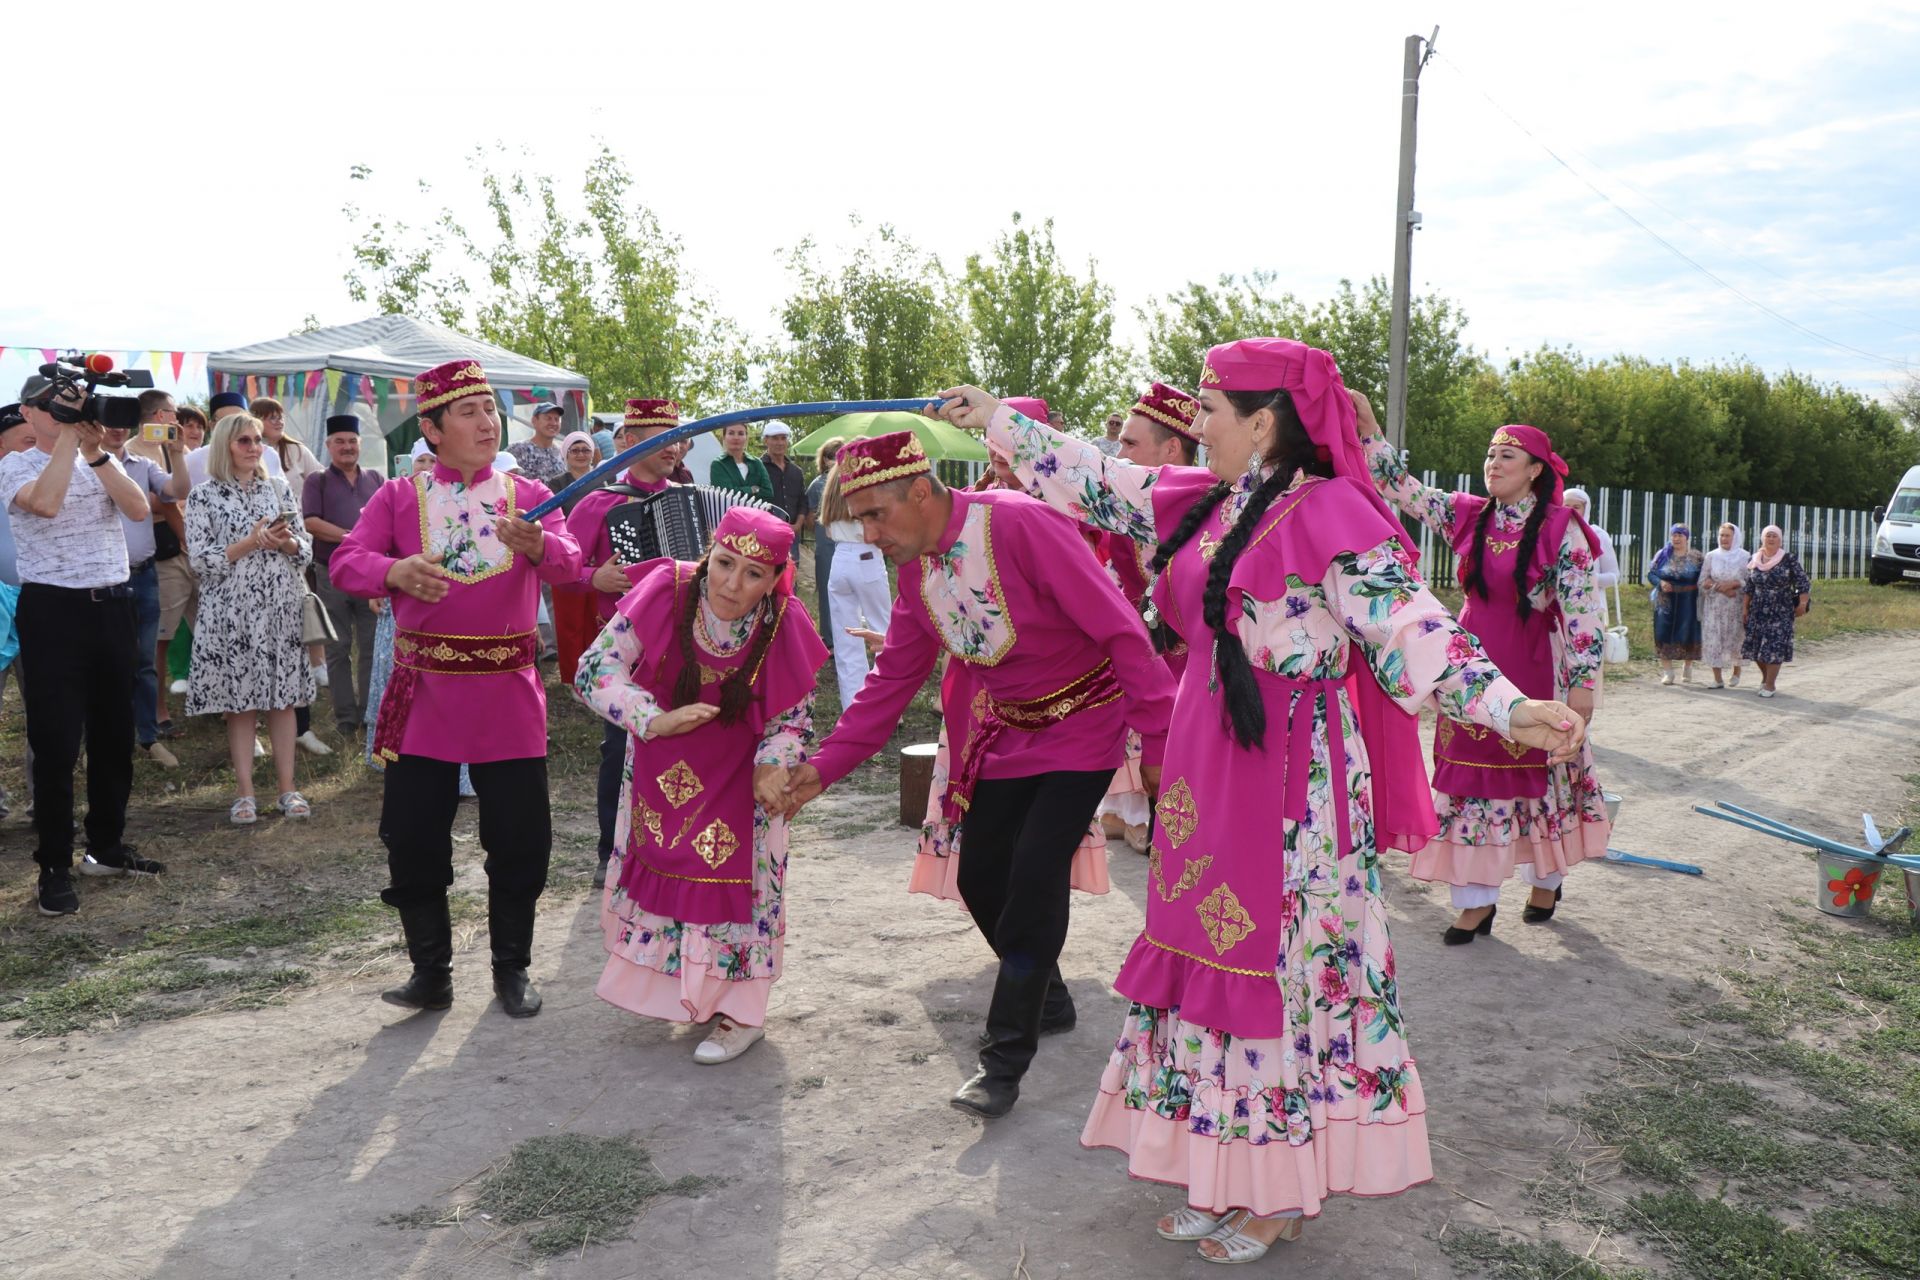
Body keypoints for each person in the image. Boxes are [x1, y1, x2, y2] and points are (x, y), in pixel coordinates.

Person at [956, 338, 1586, 1259]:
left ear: (1264, 422)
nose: (1195, 421)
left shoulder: (1332, 510)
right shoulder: (1221, 500)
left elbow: (1413, 625)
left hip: (1297, 783)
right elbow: (1102, 481)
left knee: (1284, 974)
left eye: (1211, 406)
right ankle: (1223, 1171)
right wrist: (996, 419)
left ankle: (1279, 1190)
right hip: (1210, 772)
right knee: (1203, 955)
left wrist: (1510, 706)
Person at [778, 429, 1177, 1119]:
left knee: (1032, 878)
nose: (870, 534)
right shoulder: (915, 569)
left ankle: (1002, 1061)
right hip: (1009, 732)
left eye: (877, 514)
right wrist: (820, 771)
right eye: (859, 520)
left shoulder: (1019, 524)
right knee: (978, 875)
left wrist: (1164, 740)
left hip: (1085, 725)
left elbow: (1120, 629)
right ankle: (1045, 995)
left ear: (923, 491)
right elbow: (893, 680)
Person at [331, 359, 583, 1018]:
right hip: (425, 696)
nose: (486, 422)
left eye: (491, 410)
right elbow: (345, 562)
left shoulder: (528, 494)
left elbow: (574, 564)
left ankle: (513, 969)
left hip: (508, 692)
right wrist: (395, 570)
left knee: (521, 837)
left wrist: (538, 550)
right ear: (433, 428)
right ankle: (431, 973)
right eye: (469, 412)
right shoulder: (396, 497)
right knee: (412, 836)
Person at [574, 507, 827, 1063]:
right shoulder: (667, 590)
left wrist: (774, 764)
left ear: (775, 578)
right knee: (668, 871)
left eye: (753, 574)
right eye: (724, 563)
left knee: (743, 889)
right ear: (709, 551)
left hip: (741, 780)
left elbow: (792, 718)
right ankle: (681, 994)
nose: (732, 584)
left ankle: (741, 1013)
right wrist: (648, 717)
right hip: (661, 770)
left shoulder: (782, 622)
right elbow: (594, 669)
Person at [1364, 410, 1610, 941]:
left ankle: (1546, 879)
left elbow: (1582, 612)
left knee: (1537, 779)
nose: (1493, 465)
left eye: (1507, 456)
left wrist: (1583, 684)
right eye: (1491, 454)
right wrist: (1368, 429)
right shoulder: (1470, 515)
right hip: (1470, 663)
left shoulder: (1561, 530)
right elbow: (1398, 489)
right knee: (1468, 780)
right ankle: (1476, 902)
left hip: (1532, 665)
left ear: (1536, 470)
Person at [2, 372, 167, 916]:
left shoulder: (100, 459)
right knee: (56, 743)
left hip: (112, 604)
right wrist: (71, 439)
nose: (63, 415)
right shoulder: (13, 466)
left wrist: (95, 454)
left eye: (70, 407)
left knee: (115, 735)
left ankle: (107, 847)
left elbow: (139, 511)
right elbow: (45, 505)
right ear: (27, 413)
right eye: (53, 408)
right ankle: (54, 864)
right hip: (53, 610)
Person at [567, 398, 688, 887]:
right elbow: (562, 566)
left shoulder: (688, 498)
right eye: (663, 435)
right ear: (631, 441)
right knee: (619, 749)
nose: (675, 446)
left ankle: (671, 847)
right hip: (626, 652)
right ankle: (609, 850)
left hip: (681, 646)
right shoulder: (598, 502)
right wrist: (593, 578)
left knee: (681, 745)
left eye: (678, 435)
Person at [1084, 383, 1201, 853]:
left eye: (1130, 444)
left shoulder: (1221, 504)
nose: (1119, 452)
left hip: (1208, 679)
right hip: (1154, 668)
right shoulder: (1128, 509)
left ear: (1171, 448)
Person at [183, 413, 315, 823]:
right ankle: (244, 793)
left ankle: (287, 789)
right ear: (225, 445)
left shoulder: (277, 488)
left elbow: (306, 550)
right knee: (240, 703)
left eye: (258, 440)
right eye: (245, 440)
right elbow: (200, 561)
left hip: (279, 607)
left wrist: (287, 542)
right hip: (231, 612)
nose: (255, 447)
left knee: (284, 700)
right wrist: (249, 543)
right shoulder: (203, 496)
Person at [103, 408, 190, 769]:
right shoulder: (79, 465)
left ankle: (148, 738)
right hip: (101, 580)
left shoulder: (141, 464)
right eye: (109, 420)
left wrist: (177, 451)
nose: (118, 427)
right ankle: (104, 741)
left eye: (123, 420)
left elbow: (177, 491)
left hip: (142, 574)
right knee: (104, 663)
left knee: (144, 662)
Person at [302, 414, 385, 736]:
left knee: (370, 645)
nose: (347, 447)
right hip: (331, 573)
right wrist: (352, 537)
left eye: (352, 441)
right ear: (328, 446)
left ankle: (368, 713)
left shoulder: (376, 479)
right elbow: (311, 522)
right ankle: (346, 718)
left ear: (359, 444)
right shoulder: (317, 480)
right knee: (337, 648)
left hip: (369, 574)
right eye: (340, 441)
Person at [815, 461, 893, 703]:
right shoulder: (866, 483)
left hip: (840, 556)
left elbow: (827, 529)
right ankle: (886, 702)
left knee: (845, 639)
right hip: (866, 555)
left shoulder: (833, 484)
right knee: (883, 631)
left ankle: (853, 706)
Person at [156, 404, 207, 723]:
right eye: (173, 415)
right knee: (162, 636)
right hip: (171, 551)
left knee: (211, 629)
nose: (189, 428)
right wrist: (187, 535)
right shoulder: (138, 450)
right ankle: (158, 710)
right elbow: (165, 501)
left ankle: (212, 698)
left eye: (196, 424)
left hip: (201, 550)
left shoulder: (194, 454)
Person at [0, 403, 36, 818]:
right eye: (25, 433)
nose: (34, 438)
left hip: (38, 603)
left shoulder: (51, 478)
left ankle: (42, 800)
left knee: (46, 709)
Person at [549, 430, 606, 683]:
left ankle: (592, 675)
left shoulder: (603, 481)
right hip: (566, 560)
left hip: (597, 561)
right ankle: (572, 677)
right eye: (575, 450)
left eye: (586, 450)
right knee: (569, 622)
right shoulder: (556, 484)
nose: (581, 455)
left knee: (595, 619)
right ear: (566, 454)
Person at [1742, 524, 1811, 699]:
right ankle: (1765, 678)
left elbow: (1803, 582)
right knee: (1756, 646)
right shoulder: (1755, 558)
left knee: (1774, 645)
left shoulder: (1788, 559)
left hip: (1780, 608)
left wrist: (1802, 603)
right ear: (1762, 538)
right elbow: (1749, 586)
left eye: (1774, 536)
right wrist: (1745, 608)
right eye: (1768, 536)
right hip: (1757, 608)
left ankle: (1770, 684)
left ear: (1780, 540)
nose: (1771, 539)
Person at [185, 392, 283, 488]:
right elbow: (176, 494)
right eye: (226, 421)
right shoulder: (194, 460)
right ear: (213, 425)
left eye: (240, 420)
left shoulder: (269, 455)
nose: (234, 427)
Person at [1648, 524, 1704, 685]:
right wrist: (1660, 582)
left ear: (1687, 537)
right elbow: (1651, 574)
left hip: (1688, 600)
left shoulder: (1697, 557)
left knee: (1688, 633)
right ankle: (1668, 672)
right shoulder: (1663, 555)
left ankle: (1687, 666)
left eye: (1680, 535)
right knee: (1663, 632)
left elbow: (1704, 576)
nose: (1676, 538)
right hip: (1665, 600)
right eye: (1674, 535)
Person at [1699, 522, 1749, 688]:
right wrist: (1720, 588)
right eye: (1721, 535)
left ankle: (1736, 672)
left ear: (1735, 537)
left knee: (1735, 638)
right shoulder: (1711, 556)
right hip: (1715, 606)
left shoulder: (1745, 556)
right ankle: (1717, 678)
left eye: (1727, 535)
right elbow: (1702, 580)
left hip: (1736, 605)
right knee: (1714, 639)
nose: (1723, 538)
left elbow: (1750, 581)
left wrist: (1734, 583)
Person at [1561, 488, 1620, 624]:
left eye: (1576, 507)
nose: (1570, 511)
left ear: (1585, 509)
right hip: (1558, 608)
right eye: (1566, 506)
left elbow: (1614, 576)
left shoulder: (1598, 535)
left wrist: (1587, 578)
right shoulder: (1552, 534)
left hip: (1590, 608)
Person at [804, 439, 843, 640]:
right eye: (832, 456)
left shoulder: (852, 482)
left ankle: (844, 636)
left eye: (841, 454)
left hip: (846, 550)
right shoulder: (817, 485)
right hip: (827, 550)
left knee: (844, 596)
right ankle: (829, 639)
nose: (837, 460)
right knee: (828, 595)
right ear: (824, 460)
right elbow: (809, 520)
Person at [253, 398, 325, 489]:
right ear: (257, 422)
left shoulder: (297, 450)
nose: (280, 422)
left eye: (281, 417)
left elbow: (323, 481)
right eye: (273, 418)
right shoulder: (249, 451)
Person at [760, 421, 808, 534]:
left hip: (791, 533)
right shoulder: (757, 468)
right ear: (766, 440)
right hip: (765, 532)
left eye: (783, 438)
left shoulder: (796, 471)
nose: (780, 443)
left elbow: (803, 502)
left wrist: (797, 526)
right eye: (775, 438)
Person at [709, 423, 775, 505]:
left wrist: (739, 490)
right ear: (724, 437)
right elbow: (726, 496)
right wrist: (753, 489)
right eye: (731, 433)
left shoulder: (757, 463)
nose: (736, 437)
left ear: (746, 438)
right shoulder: (718, 464)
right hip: (730, 515)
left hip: (755, 515)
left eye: (740, 433)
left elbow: (768, 493)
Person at [507, 401, 567, 485]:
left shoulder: (563, 453)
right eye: (548, 418)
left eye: (557, 419)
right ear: (534, 421)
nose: (553, 423)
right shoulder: (517, 449)